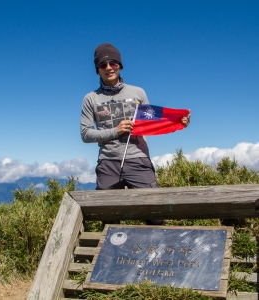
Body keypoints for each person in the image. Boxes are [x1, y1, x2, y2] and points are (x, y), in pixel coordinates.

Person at [80, 43, 190, 225]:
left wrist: (177, 121)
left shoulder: (138, 92)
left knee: (156, 214)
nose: (108, 68)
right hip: (108, 163)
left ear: (120, 65)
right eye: (102, 65)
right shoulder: (91, 98)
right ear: (97, 70)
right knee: (108, 219)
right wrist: (115, 131)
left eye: (113, 63)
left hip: (138, 160)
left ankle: (155, 251)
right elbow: (85, 134)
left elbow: (152, 121)